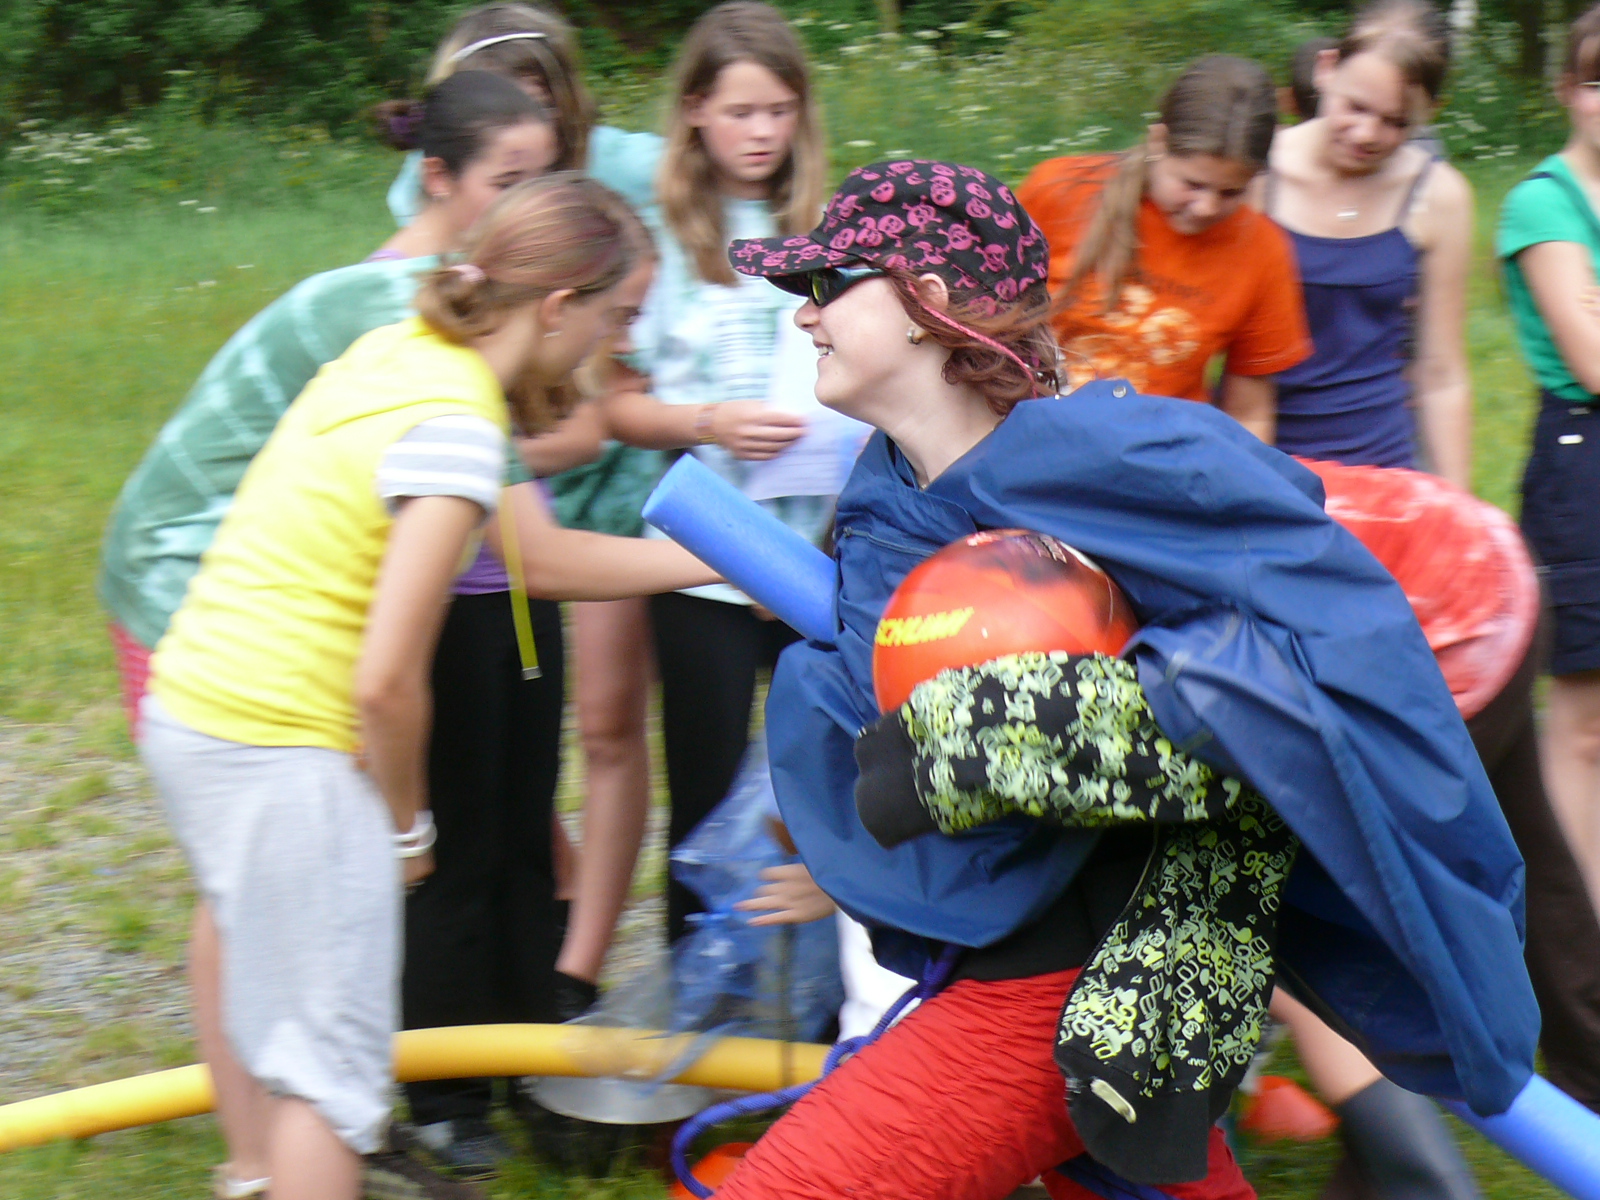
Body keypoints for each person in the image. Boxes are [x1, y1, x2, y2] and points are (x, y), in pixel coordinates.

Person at [690, 159, 1537, 1200]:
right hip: (1012, 953)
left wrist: (1024, 728)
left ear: (925, 302)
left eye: (827, 286)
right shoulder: (882, 507)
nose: (804, 316)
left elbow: (1311, 677)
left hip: (1102, 974)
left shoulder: (1130, 458)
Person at [137, 176, 716, 1200]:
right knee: (333, 1082)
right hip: (281, 743)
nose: (609, 348)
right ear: (556, 308)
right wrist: (407, 830)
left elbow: (537, 558)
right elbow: (388, 681)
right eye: (612, 319)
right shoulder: (455, 426)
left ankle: (257, 1176)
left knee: (287, 1030)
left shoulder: (400, 353)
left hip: (197, 710)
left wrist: (715, 562)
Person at [100, 70, 557, 740]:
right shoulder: (420, 315)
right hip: (177, 566)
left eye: (544, 184)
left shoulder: (448, 297)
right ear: (438, 177)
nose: (531, 211)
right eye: (508, 184)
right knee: (249, 763)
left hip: (247, 577)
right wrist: (716, 557)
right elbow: (539, 555)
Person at [387, 1, 672, 1011]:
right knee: (455, 851)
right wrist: (722, 558)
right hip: (450, 606)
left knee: (517, 827)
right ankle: (449, 1075)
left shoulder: (499, 328)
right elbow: (537, 550)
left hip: (510, 598)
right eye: (612, 319)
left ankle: (517, 1035)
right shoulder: (428, 333)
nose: (614, 344)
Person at [597, 0, 835, 944]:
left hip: (815, 556)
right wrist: (708, 423)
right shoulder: (660, 235)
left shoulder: (827, 230)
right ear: (694, 109)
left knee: (823, 783)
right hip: (703, 565)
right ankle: (701, 985)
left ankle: (814, 993)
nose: (762, 132)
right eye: (741, 112)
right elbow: (614, 406)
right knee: (704, 786)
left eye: (779, 110)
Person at [1016, 55, 1310, 437]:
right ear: (1158, 141)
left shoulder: (1262, 250)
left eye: (1231, 192)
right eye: (1192, 184)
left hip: (1160, 452)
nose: (1206, 208)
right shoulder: (1058, 191)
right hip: (1031, 431)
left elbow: (1250, 414)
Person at [1261, 0, 1473, 484]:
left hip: (1384, 463)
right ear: (1326, 69)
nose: (1367, 135)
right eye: (1355, 107)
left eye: (1396, 122)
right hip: (1267, 459)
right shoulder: (1258, 173)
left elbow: (1441, 373)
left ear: (1430, 112)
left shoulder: (1439, 195)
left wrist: (1458, 502)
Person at [1500, 1, 1600, 948]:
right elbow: (1592, 359)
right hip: (1584, 462)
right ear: (1568, 88)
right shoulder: (1544, 202)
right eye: (1598, 80)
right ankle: (1583, 938)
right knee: (1585, 725)